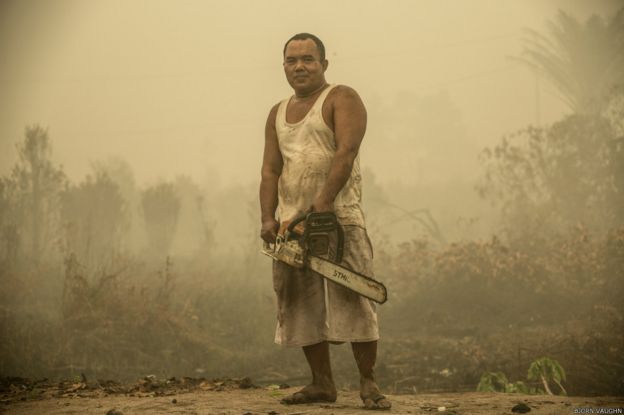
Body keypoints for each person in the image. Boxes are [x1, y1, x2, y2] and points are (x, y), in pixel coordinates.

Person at [259, 33, 391, 410]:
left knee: (356, 295)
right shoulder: (277, 112)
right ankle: (321, 383)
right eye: (292, 60)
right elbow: (270, 170)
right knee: (300, 304)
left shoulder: (341, 98)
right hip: (292, 226)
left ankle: (368, 382)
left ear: (324, 64)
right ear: (283, 66)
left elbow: (346, 152)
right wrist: (269, 217)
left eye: (308, 59)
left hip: (340, 219)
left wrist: (324, 201)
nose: (300, 66)